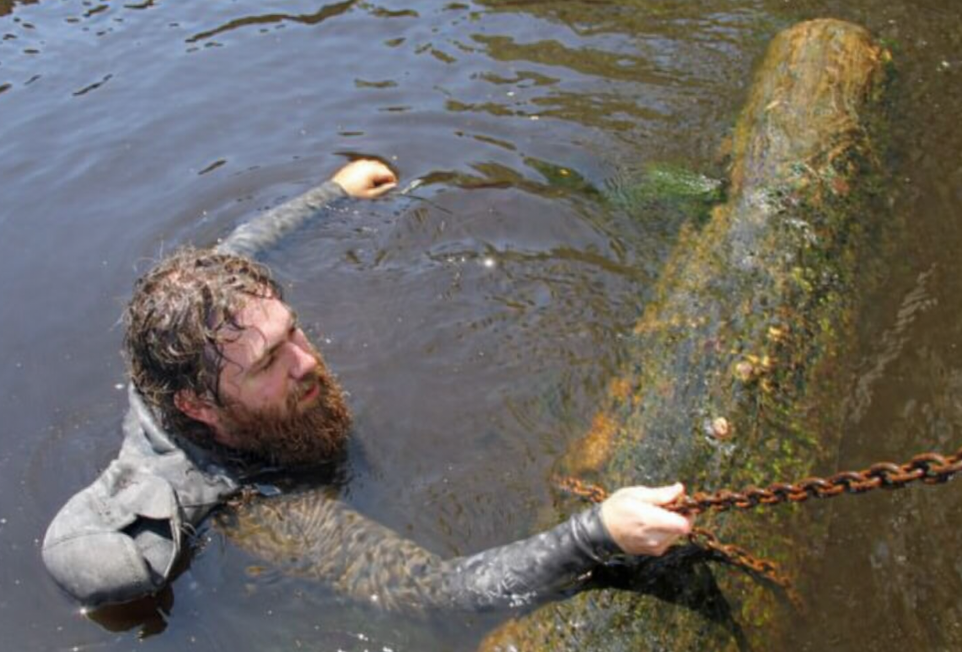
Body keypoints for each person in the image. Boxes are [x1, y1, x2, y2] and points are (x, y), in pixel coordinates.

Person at [42, 159, 692, 613]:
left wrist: (333, 192)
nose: (305, 362)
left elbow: (239, 246)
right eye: (269, 363)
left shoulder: (209, 340)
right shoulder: (258, 511)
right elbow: (441, 590)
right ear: (197, 407)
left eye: (292, 331)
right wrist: (596, 533)